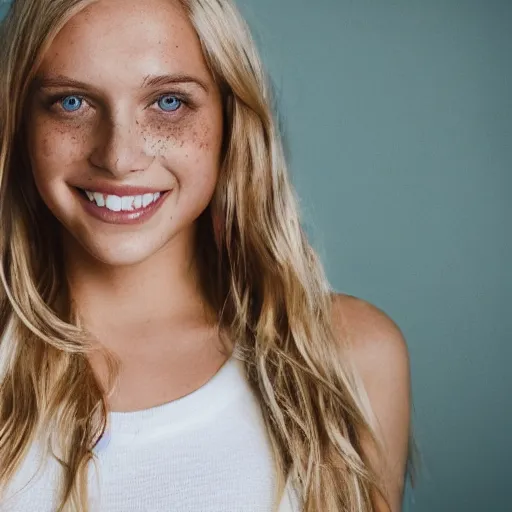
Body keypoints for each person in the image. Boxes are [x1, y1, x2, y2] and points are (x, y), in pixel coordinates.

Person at [0, 0, 412, 510]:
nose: (119, 157)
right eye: (71, 102)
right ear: (20, 123)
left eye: (168, 102)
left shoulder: (352, 357)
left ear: (230, 121)